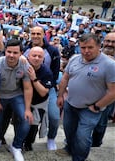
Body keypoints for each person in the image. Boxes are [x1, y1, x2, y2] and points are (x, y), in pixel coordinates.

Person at [56, 33, 115, 161]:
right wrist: (60, 96)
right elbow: (65, 77)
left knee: (82, 137)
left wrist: (97, 106)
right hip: (70, 104)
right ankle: (70, 148)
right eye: (83, 48)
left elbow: (113, 92)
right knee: (69, 131)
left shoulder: (109, 64)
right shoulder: (74, 58)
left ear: (99, 46)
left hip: (90, 109)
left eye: (90, 47)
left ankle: (78, 158)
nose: (86, 51)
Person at [0, 39, 33, 161]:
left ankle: (16, 146)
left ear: (21, 53)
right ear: (5, 51)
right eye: (9, 52)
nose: (11, 55)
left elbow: (27, 88)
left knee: (26, 119)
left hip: (16, 95)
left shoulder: (24, 65)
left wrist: (27, 109)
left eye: (15, 53)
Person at [23, 26, 60, 150]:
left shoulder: (53, 51)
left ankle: (51, 138)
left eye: (38, 33)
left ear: (44, 34)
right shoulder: (25, 49)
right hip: (27, 86)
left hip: (47, 86)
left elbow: (55, 72)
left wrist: (46, 85)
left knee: (54, 117)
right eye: (33, 33)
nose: (35, 36)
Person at [23, 47, 53, 151]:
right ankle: (19, 142)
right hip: (24, 101)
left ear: (43, 59)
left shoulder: (46, 72)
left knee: (33, 125)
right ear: (28, 57)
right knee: (21, 123)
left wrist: (34, 78)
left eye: (39, 56)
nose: (36, 58)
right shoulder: (23, 66)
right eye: (34, 55)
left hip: (38, 103)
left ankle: (28, 144)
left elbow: (43, 92)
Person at [91, 32, 115, 147]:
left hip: (108, 98)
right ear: (103, 42)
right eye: (107, 41)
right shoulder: (94, 54)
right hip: (89, 94)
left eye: (113, 42)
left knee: (100, 124)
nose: (110, 44)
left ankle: (95, 145)